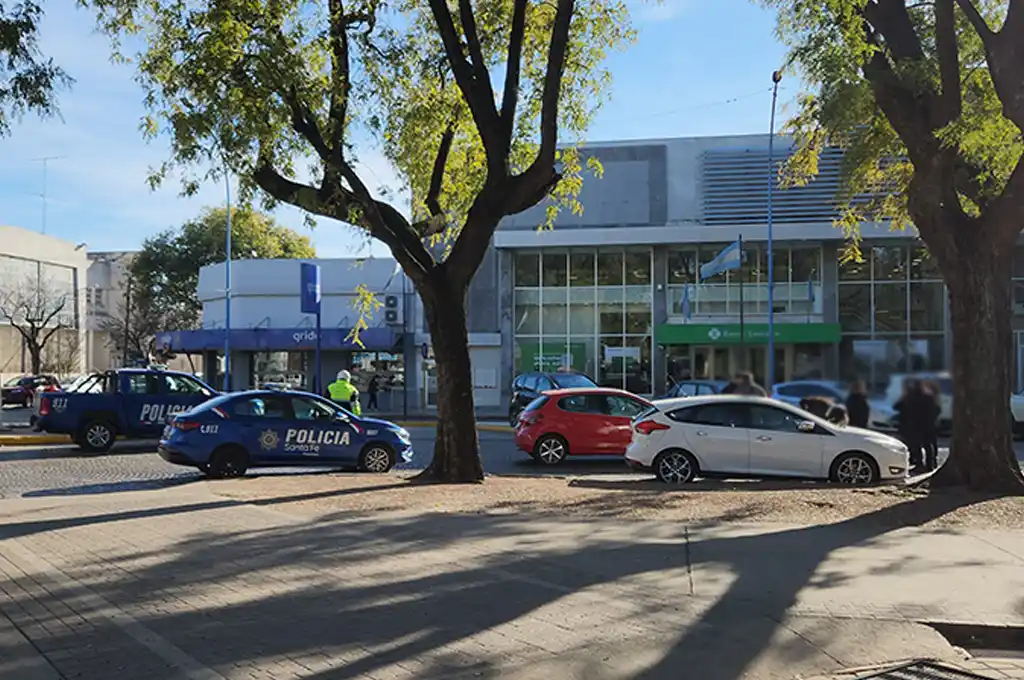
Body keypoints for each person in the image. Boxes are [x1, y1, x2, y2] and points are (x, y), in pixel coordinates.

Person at [894, 378, 926, 473]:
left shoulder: (908, 398)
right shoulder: (924, 397)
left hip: (909, 425)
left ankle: (916, 462)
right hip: (919, 424)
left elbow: (897, 407)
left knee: (912, 445)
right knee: (917, 445)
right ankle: (918, 462)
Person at [921, 380, 942, 471]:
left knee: (928, 444)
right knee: (932, 443)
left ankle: (930, 464)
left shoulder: (929, 399)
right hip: (932, 424)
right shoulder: (935, 399)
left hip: (928, 424)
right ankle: (933, 462)